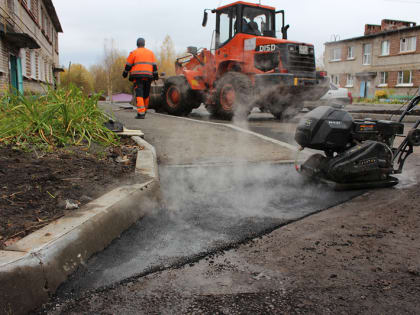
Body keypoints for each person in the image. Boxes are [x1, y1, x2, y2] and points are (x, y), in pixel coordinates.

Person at [123, 38, 158, 119]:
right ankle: (144, 110)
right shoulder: (150, 53)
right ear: (144, 44)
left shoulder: (134, 53)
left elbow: (128, 65)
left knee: (139, 94)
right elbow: (154, 66)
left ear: (137, 44)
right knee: (146, 94)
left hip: (137, 77)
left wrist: (125, 73)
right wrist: (156, 75)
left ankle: (141, 113)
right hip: (148, 77)